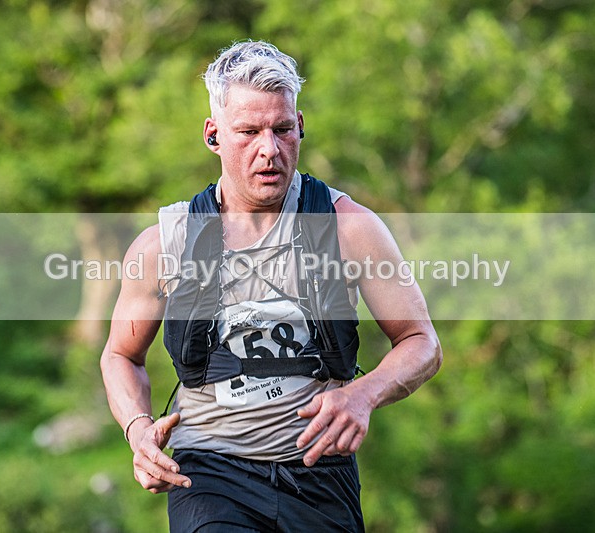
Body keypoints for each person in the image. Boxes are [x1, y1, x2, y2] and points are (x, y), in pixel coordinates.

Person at [100, 40, 442, 532]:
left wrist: (362, 395)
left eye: (283, 130)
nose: (270, 150)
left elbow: (422, 342)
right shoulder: (163, 245)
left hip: (319, 473)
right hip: (211, 474)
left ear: (300, 126)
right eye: (249, 132)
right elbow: (120, 355)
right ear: (213, 135)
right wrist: (138, 430)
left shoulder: (349, 229)